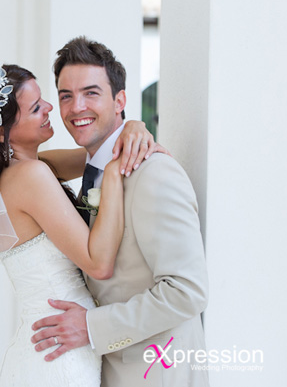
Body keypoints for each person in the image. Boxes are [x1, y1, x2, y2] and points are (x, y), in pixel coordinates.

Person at [0, 63, 165, 386]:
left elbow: (100, 151)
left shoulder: (22, 171)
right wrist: (115, 176)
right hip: (58, 358)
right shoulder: (28, 178)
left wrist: (133, 127)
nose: (50, 108)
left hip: (52, 345)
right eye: (36, 108)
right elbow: (99, 263)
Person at [30, 37, 210, 386]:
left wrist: (91, 327)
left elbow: (188, 291)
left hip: (157, 373)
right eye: (66, 95)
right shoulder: (92, 167)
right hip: (106, 368)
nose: (76, 107)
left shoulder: (154, 173)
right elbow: (26, 167)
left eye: (91, 93)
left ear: (121, 100)